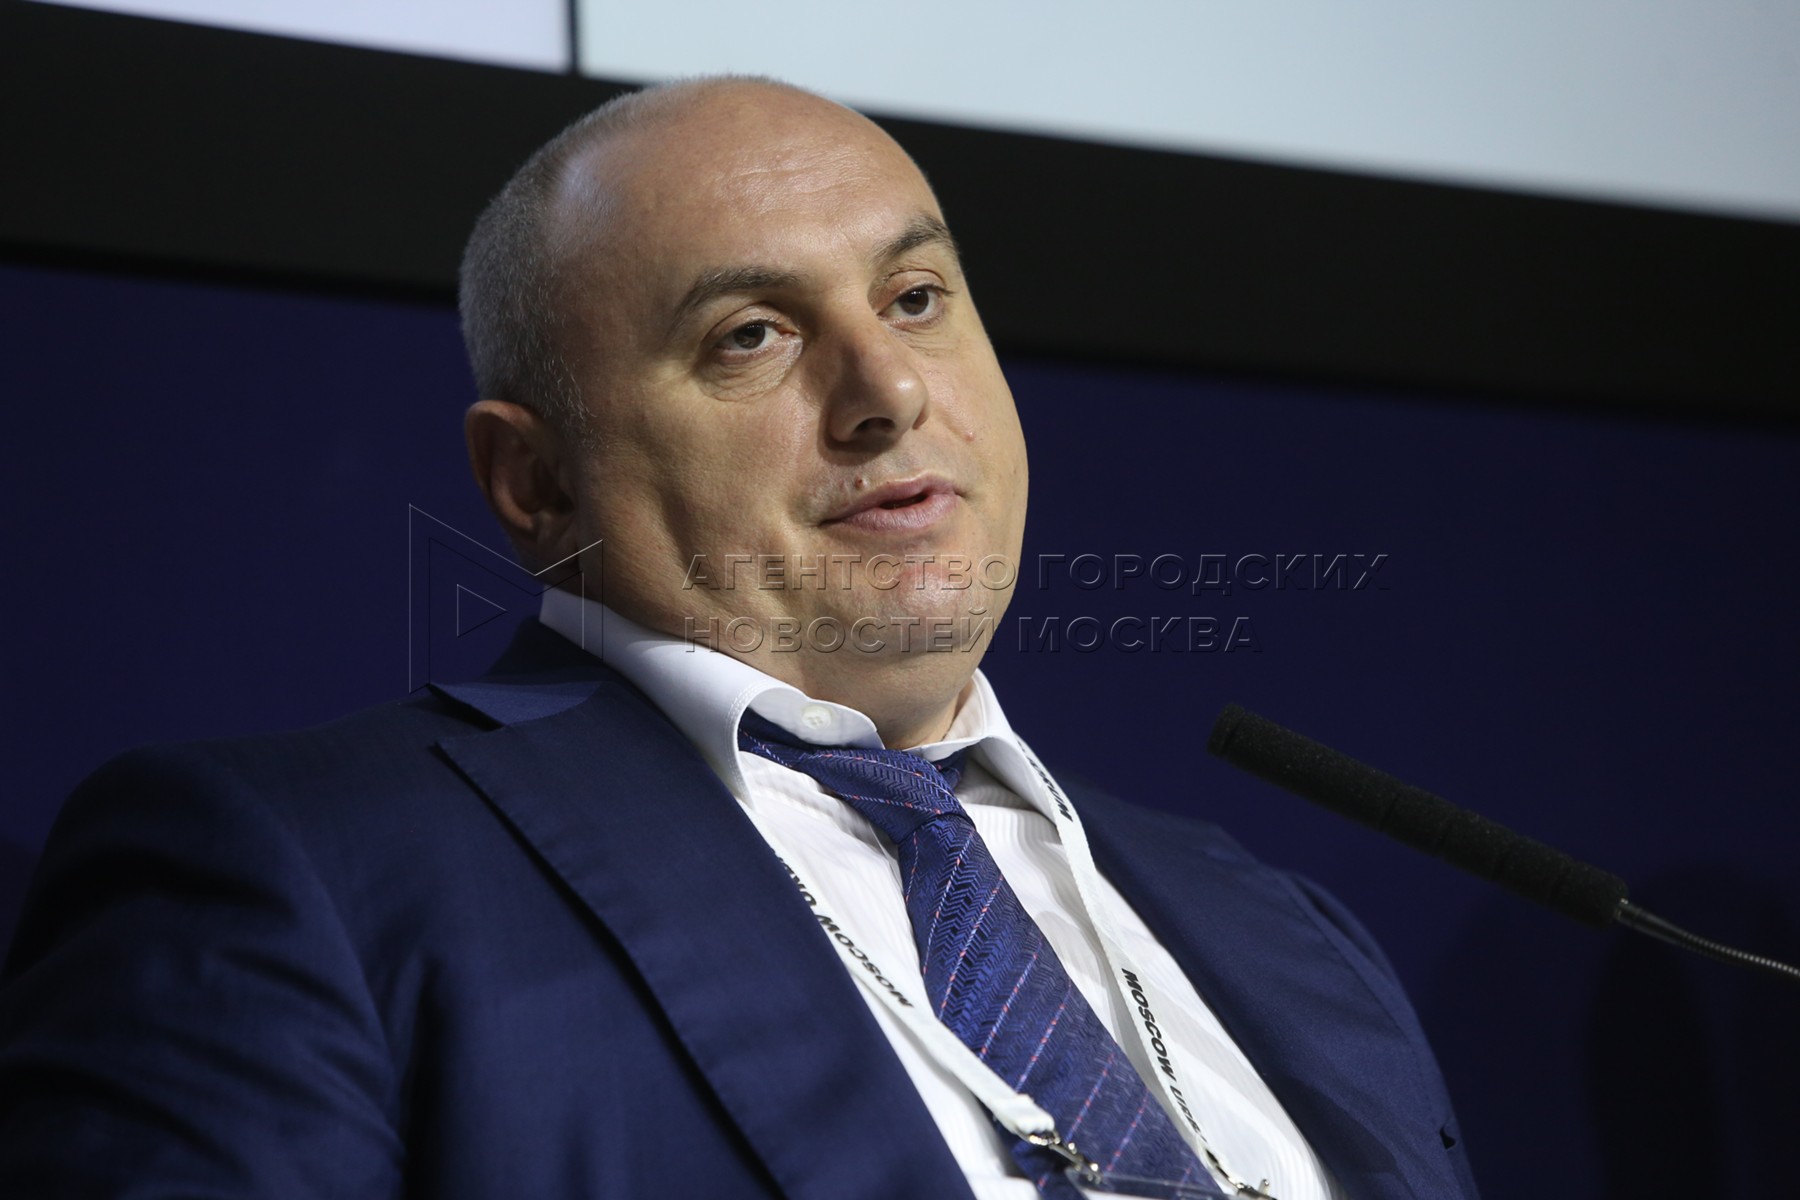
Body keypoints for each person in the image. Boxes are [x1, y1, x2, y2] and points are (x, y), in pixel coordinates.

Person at [0, 78, 1478, 1199]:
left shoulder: (1283, 928)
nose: (889, 392)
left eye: (915, 299)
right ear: (536, 480)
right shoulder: (303, 871)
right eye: (752, 336)